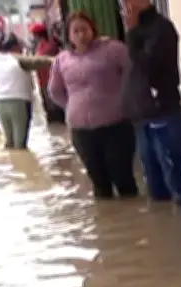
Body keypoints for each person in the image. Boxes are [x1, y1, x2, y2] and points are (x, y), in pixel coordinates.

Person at [49, 11, 138, 199]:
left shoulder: (113, 49)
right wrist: (72, 106)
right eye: (76, 31)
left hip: (115, 125)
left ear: (93, 29)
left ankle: (133, 216)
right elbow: (55, 90)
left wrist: (122, 100)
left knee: (123, 178)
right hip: (82, 130)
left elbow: (132, 73)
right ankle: (107, 225)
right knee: (99, 182)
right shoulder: (62, 60)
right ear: (69, 35)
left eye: (84, 29)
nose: (81, 35)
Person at [122, 0, 181, 204]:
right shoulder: (138, 29)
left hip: (163, 112)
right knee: (155, 183)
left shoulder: (161, 28)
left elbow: (147, 65)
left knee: (176, 179)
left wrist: (131, 32)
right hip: (142, 115)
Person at [0, 39, 47, 149]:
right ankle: (21, 164)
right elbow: (42, 62)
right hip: (19, 103)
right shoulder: (19, 60)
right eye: (20, 46)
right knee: (20, 143)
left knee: (9, 142)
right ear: (15, 48)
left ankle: (11, 163)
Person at [30, 22, 65, 124]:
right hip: (43, 81)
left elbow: (39, 59)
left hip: (51, 81)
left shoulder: (49, 45)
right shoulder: (40, 46)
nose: (33, 37)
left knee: (55, 112)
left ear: (38, 35)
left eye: (34, 35)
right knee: (49, 110)